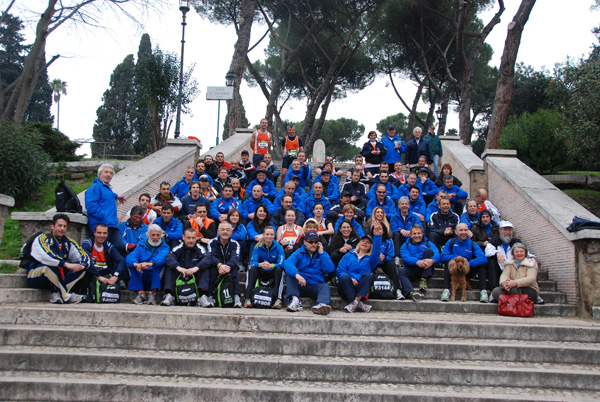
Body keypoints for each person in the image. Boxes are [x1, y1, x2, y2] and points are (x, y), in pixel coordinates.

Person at [26, 213, 91, 304]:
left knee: (81, 269)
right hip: (37, 274)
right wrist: (65, 264)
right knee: (50, 267)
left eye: (64, 226)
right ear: (52, 226)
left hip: (56, 278)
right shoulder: (42, 239)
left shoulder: (68, 242)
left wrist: (82, 265)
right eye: (59, 225)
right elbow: (45, 256)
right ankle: (66, 295)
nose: (62, 229)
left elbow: (83, 256)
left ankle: (57, 292)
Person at [283, 231, 335, 315]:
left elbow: (330, 269)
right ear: (305, 242)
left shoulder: (322, 254)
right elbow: (287, 263)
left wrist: (322, 254)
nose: (313, 244)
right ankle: (295, 301)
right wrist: (297, 275)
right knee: (291, 275)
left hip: (315, 285)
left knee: (325, 286)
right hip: (301, 284)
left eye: (315, 242)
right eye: (310, 242)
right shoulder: (299, 252)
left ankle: (322, 305)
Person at [337, 222, 384, 313]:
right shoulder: (348, 255)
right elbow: (340, 270)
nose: (365, 243)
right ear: (359, 243)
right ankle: (359, 304)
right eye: (363, 241)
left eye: (368, 242)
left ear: (371, 246)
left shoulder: (371, 259)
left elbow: (377, 250)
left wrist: (377, 233)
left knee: (368, 276)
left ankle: (354, 303)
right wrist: (351, 279)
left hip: (361, 287)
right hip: (346, 286)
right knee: (344, 277)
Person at [440, 223, 488, 303]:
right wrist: (457, 258)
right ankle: (446, 290)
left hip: (467, 270)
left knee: (481, 265)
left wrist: (468, 263)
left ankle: (483, 291)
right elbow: (443, 256)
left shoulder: (472, 244)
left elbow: (483, 258)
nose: (463, 232)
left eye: (465, 230)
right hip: (454, 271)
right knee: (449, 263)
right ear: (456, 232)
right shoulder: (451, 242)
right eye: (461, 230)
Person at [162, 228, 209, 307]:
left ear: (196, 238)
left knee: (204, 267)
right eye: (188, 237)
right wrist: (179, 268)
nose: (191, 240)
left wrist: (196, 268)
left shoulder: (200, 249)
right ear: (183, 237)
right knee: (170, 267)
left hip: (194, 275)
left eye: (193, 238)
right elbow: (169, 257)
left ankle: (202, 296)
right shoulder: (178, 248)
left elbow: (207, 259)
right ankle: (169, 295)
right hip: (181, 274)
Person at [85, 163, 126, 254]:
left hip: (112, 225)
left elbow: (108, 195)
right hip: (102, 226)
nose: (108, 174)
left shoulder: (108, 189)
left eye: (111, 173)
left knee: (119, 247)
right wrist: (103, 218)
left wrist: (116, 196)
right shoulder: (95, 187)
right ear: (100, 174)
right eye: (106, 172)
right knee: (105, 252)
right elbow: (91, 206)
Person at [127, 224, 170, 305]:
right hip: (142, 273)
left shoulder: (165, 247)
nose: (155, 237)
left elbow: (162, 258)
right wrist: (137, 264)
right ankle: (141, 293)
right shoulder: (141, 246)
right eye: (153, 235)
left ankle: (153, 294)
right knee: (132, 265)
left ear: (161, 236)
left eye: (158, 235)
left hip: (155, 275)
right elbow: (131, 256)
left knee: (158, 265)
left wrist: (150, 264)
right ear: (148, 236)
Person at [245, 226, 285, 309]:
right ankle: (247, 298)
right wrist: (260, 264)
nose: (269, 236)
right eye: (267, 234)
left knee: (279, 270)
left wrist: (271, 265)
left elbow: (281, 263)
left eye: (271, 234)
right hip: (261, 271)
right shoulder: (257, 247)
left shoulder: (279, 247)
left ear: (274, 236)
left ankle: (278, 299)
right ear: (263, 235)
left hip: (272, 271)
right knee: (252, 270)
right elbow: (252, 262)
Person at [364, 213, 403, 300]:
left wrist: (384, 258)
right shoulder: (368, 240)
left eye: (380, 229)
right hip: (372, 261)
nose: (377, 231)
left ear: (384, 231)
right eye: (375, 229)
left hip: (384, 261)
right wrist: (375, 257)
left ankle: (397, 290)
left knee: (391, 265)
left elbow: (391, 254)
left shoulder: (389, 241)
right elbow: (364, 252)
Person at [204, 222, 243, 308]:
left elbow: (235, 257)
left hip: (229, 267)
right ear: (218, 231)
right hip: (216, 266)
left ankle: (236, 297)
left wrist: (227, 266)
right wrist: (220, 265)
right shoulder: (212, 242)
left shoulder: (235, 243)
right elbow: (211, 256)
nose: (225, 232)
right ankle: (210, 296)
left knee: (235, 269)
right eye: (223, 230)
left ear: (231, 232)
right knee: (211, 269)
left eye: (228, 230)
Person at [82, 223, 126, 292]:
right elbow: (87, 260)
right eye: (99, 233)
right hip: (91, 271)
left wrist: (115, 276)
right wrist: (98, 276)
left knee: (124, 266)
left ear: (107, 234)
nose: (102, 236)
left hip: (104, 272)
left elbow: (121, 260)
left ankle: (117, 282)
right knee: (83, 268)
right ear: (94, 233)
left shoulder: (108, 246)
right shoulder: (87, 243)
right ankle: (83, 292)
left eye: (104, 233)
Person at [399, 224, 439, 299]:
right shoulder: (405, 245)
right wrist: (417, 262)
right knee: (400, 272)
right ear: (410, 235)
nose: (417, 235)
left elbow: (437, 253)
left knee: (429, 251)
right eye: (414, 233)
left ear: (422, 234)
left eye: (419, 233)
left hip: (426, 267)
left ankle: (424, 279)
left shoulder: (428, 243)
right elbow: (405, 257)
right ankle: (411, 292)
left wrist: (432, 260)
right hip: (413, 267)